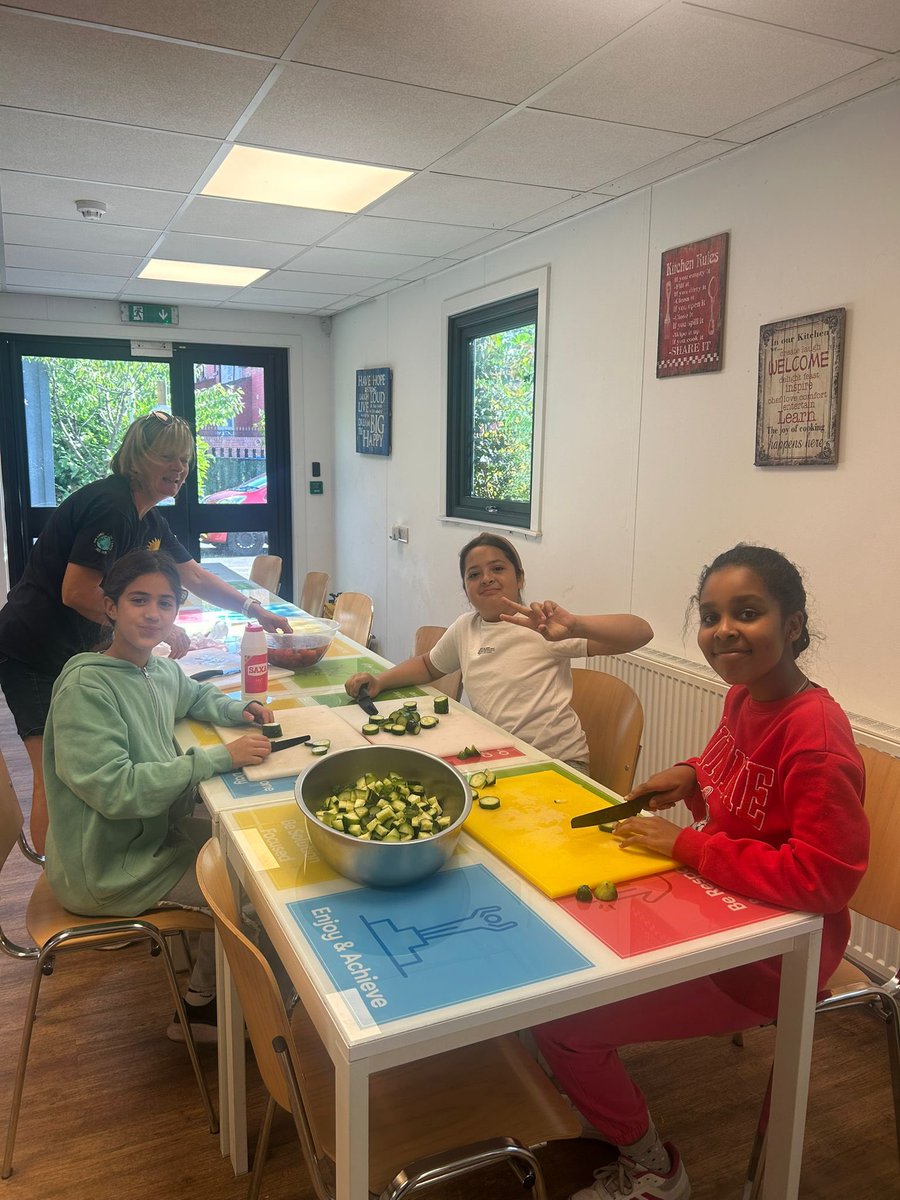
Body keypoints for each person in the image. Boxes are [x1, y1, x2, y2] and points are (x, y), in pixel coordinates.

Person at [532, 544, 869, 1200]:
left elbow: (824, 878)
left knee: (561, 1026)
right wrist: (688, 774)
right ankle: (598, 1107)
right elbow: (728, 769)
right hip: (718, 910)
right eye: (710, 616)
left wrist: (685, 848)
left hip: (775, 958)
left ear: (793, 624)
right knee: (552, 965)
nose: (724, 631)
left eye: (747, 612)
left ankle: (653, 1169)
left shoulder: (817, 737)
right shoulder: (746, 697)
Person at [0, 409, 291, 854]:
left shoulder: (149, 518)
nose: (179, 469)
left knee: (92, 761)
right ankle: (58, 880)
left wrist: (255, 607)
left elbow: (192, 576)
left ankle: (102, 854)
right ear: (137, 458)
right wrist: (150, 626)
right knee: (53, 774)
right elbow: (77, 590)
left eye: (186, 460)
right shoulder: (112, 506)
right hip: (34, 647)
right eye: (167, 457)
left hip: (75, 647)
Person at [42, 550, 275, 1044]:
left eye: (164, 603)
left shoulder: (156, 670)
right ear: (110, 607)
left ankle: (205, 997)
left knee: (247, 851)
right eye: (138, 600)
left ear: (177, 612)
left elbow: (193, 696)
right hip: (108, 868)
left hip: (146, 842)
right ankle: (208, 1013)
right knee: (253, 895)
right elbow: (117, 790)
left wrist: (241, 708)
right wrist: (219, 758)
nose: (152, 614)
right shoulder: (87, 686)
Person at [345, 532, 653, 769]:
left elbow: (641, 633)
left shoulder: (543, 627)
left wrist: (576, 625)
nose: (487, 578)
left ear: (519, 578)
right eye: (474, 574)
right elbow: (428, 665)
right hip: (494, 756)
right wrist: (380, 681)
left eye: (497, 568)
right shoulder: (466, 627)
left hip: (555, 763)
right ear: (465, 589)